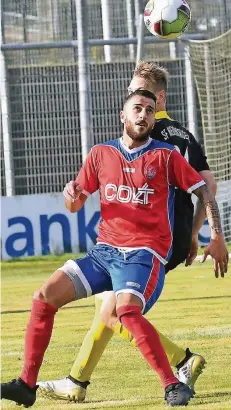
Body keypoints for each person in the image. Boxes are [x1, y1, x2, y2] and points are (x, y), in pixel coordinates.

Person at [1, 89, 228, 408]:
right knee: (43, 298)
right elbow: (74, 203)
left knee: (125, 313)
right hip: (104, 254)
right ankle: (26, 384)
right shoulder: (100, 153)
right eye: (137, 108)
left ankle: (172, 384)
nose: (143, 115)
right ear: (123, 115)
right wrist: (72, 194)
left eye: (150, 110)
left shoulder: (165, 156)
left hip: (143, 255)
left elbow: (205, 191)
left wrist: (216, 235)